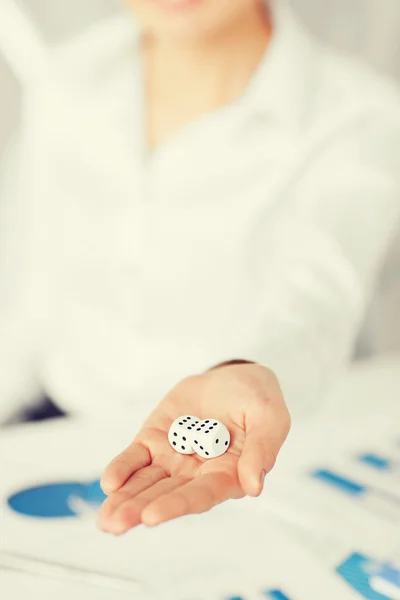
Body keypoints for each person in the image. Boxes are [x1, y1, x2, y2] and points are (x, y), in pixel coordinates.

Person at [0, 0, 400, 534]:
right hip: (56, 431)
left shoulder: (362, 116)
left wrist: (244, 368)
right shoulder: (66, 75)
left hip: (236, 469)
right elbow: (30, 302)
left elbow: (317, 300)